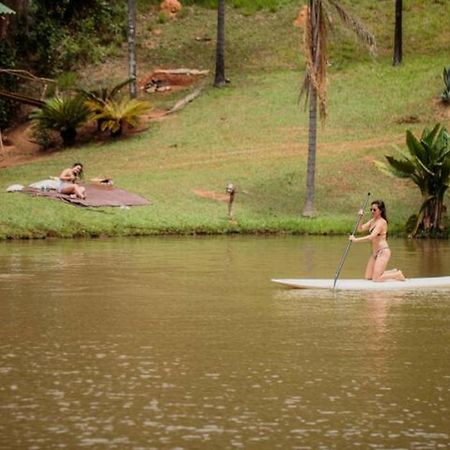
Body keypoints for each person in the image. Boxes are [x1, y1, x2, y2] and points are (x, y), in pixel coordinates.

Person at [349, 200, 405, 282]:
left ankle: (397, 274)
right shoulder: (372, 221)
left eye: (374, 210)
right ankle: (393, 271)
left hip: (383, 252)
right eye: (371, 209)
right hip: (375, 253)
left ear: (380, 211)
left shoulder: (382, 222)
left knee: (376, 278)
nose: (372, 211)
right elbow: (360, 229)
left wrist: (355, 240)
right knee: (368, 277)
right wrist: (361, 217)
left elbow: (371, 237)